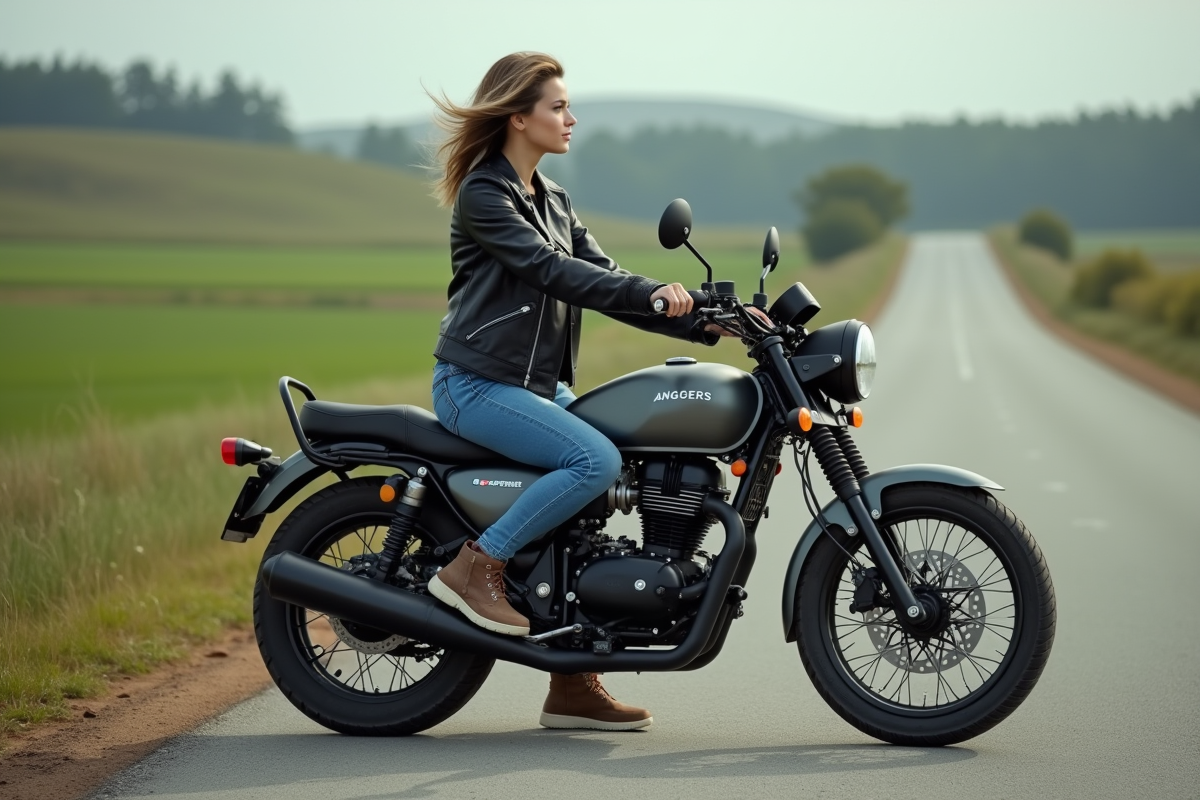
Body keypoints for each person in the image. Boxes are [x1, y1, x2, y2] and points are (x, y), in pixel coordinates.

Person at [424, 52, 759, 731]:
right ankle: (477, 564)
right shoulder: (487, 196)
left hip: (536, 386)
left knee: (619, 465)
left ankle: (572, 682)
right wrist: (651, 293)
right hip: (476, 384)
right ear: (519, 116)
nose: (571, 119)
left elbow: (603, 274)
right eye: (557, 107)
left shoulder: (552, 198)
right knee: (593, 463)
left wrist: (706, 319)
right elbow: (554, 272)